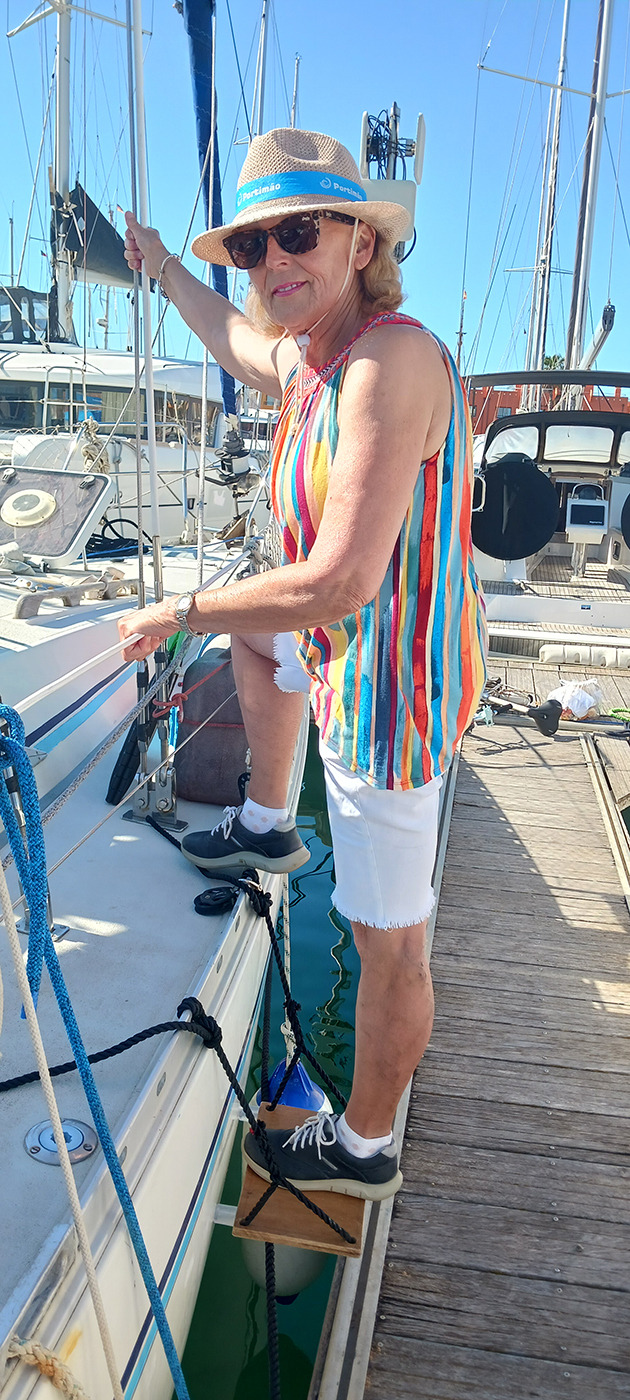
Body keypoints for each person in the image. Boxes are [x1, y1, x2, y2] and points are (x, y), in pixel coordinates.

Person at [119, 127, 487, 1201]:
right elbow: (236, 337)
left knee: (389, 943)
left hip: (391, 695)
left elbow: (336, 584)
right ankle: (270, 822)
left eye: (296, 233)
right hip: (338, 648)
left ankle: (366, 1145)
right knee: (256, 630)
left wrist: (178, 609)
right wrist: (168, 267)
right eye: (252, 246)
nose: (273, 260)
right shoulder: (313, 357)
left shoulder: (385, 364)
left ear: (361, 242)